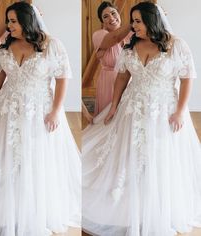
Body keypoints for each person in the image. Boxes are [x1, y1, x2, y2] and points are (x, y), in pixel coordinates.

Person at [82, 2, 201, 236]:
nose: (133, 26)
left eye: (137, 21)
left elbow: (188, 77)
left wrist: (179, 111)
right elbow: (122, 78)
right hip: (133, 106)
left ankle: (157, 196)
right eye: (132, 21)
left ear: (151, 20)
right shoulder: (131, 46)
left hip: (164, 108)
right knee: (128, 150)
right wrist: (114, 105)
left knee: (160, 153)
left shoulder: (176, 44)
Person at [0, 2, 81, 235]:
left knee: (34, 152)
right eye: (7, 20)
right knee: (5, 150)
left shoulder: (51, 44)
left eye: (13, 21)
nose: (8, 25)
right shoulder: (6, 45)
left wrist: (57, 111)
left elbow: (62, 78)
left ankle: (34, 199)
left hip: (39, 109)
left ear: (28, 20)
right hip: (7, 106)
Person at [91, 1, 131, 116]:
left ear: (119, 14)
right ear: (102, 22)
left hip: (129, 82)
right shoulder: (99, 35)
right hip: (109, 82)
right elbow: (115, 37)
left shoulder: (131, 34)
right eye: (106, 16)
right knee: (108, 118)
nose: (111, 18)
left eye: (113, 13)